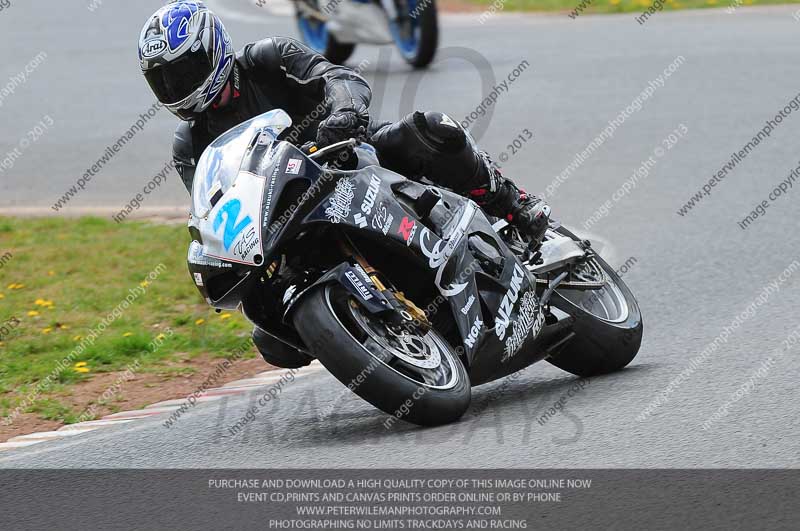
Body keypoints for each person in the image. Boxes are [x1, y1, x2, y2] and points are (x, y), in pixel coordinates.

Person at [139, 1, 550, 367]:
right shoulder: (189, 146)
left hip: (351, 154)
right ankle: (368, 335)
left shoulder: (268, 58)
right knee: (271, 338)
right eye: (165, 81)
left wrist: (343, 112)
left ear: (214, 49)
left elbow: (338, 76)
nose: (178, 88)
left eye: (185, 72)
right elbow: (215, 208)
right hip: (286, 216)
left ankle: (514, 204)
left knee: (428, 130)